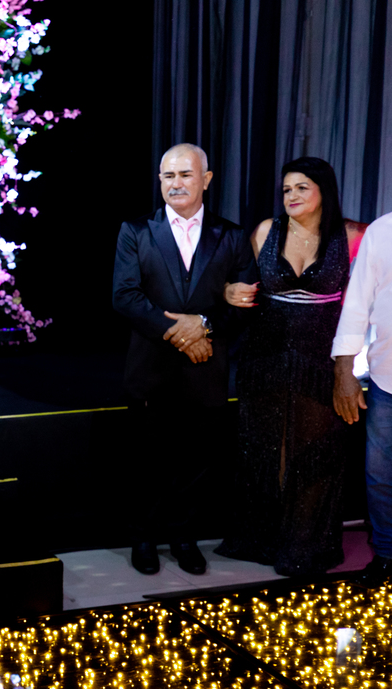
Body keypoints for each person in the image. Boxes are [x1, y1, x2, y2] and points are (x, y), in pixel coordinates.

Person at [111, 143, 255, 576]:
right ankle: (143, 538)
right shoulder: (136, 230)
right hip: (150, 369)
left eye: (185, 175)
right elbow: (125, 296)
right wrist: (180, 332)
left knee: (196, 463)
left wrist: (203, 325)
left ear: (206, 180)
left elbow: (245, 301)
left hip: (206, 370)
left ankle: (184, 537)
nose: (175, 183)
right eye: (168, 176)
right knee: (147, 461)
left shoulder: (232, 236)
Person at [216, 158, 362, 575]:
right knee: (264, 449)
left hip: (319, 361)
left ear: (323, 190)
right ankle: (260, 540)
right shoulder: (266, 231)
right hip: (264, 357)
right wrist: (228, 291)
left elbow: (365, 301)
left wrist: (348, 367)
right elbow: (232, 282)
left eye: (301, 187)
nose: (291, 196)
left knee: (313, 452)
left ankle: (303, 546)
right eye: (286, 189)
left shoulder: (353, 235)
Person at [332, 141, 392, 586]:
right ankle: (390, 555)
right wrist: (344, 371)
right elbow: (357, 305)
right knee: (383, 474)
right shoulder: (386, 231)